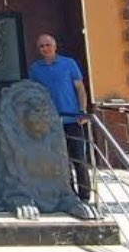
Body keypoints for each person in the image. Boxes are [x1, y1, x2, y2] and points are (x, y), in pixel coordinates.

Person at [28, 33, 91, 201]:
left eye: (48, 45)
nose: (45, 48)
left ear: (55, 46)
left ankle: (85, 195)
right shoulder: (35, 69)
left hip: (72, 119)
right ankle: (68, 193)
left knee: (79, 158)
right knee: (60, 160)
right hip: (50, 121)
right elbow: (34, 93)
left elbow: (80, 88)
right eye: (41, 46)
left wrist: (82, 110)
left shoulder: (69, 64)